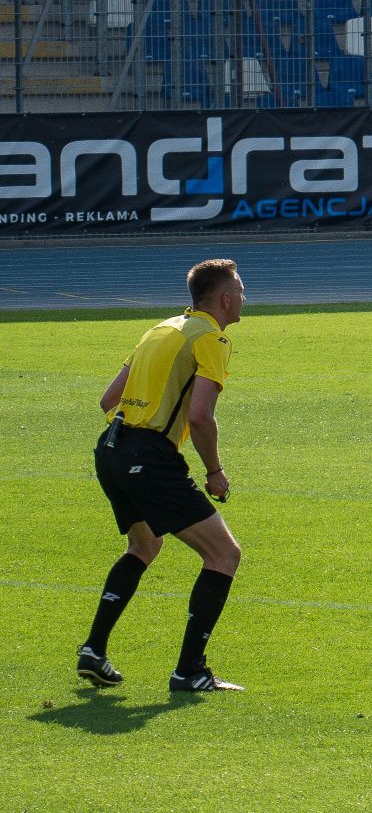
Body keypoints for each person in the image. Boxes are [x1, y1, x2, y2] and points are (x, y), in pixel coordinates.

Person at [77, 258, 250, 693]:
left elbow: (107, 400)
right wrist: (214, 471)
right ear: (225, 299)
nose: (245, 299)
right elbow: (201, 417)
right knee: (224, 556)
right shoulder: (212, 337)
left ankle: (93, 650)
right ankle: (190, 670)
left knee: (144, 544)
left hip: (111, 450)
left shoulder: (161, 329)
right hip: (149, 458)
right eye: (242, 291)